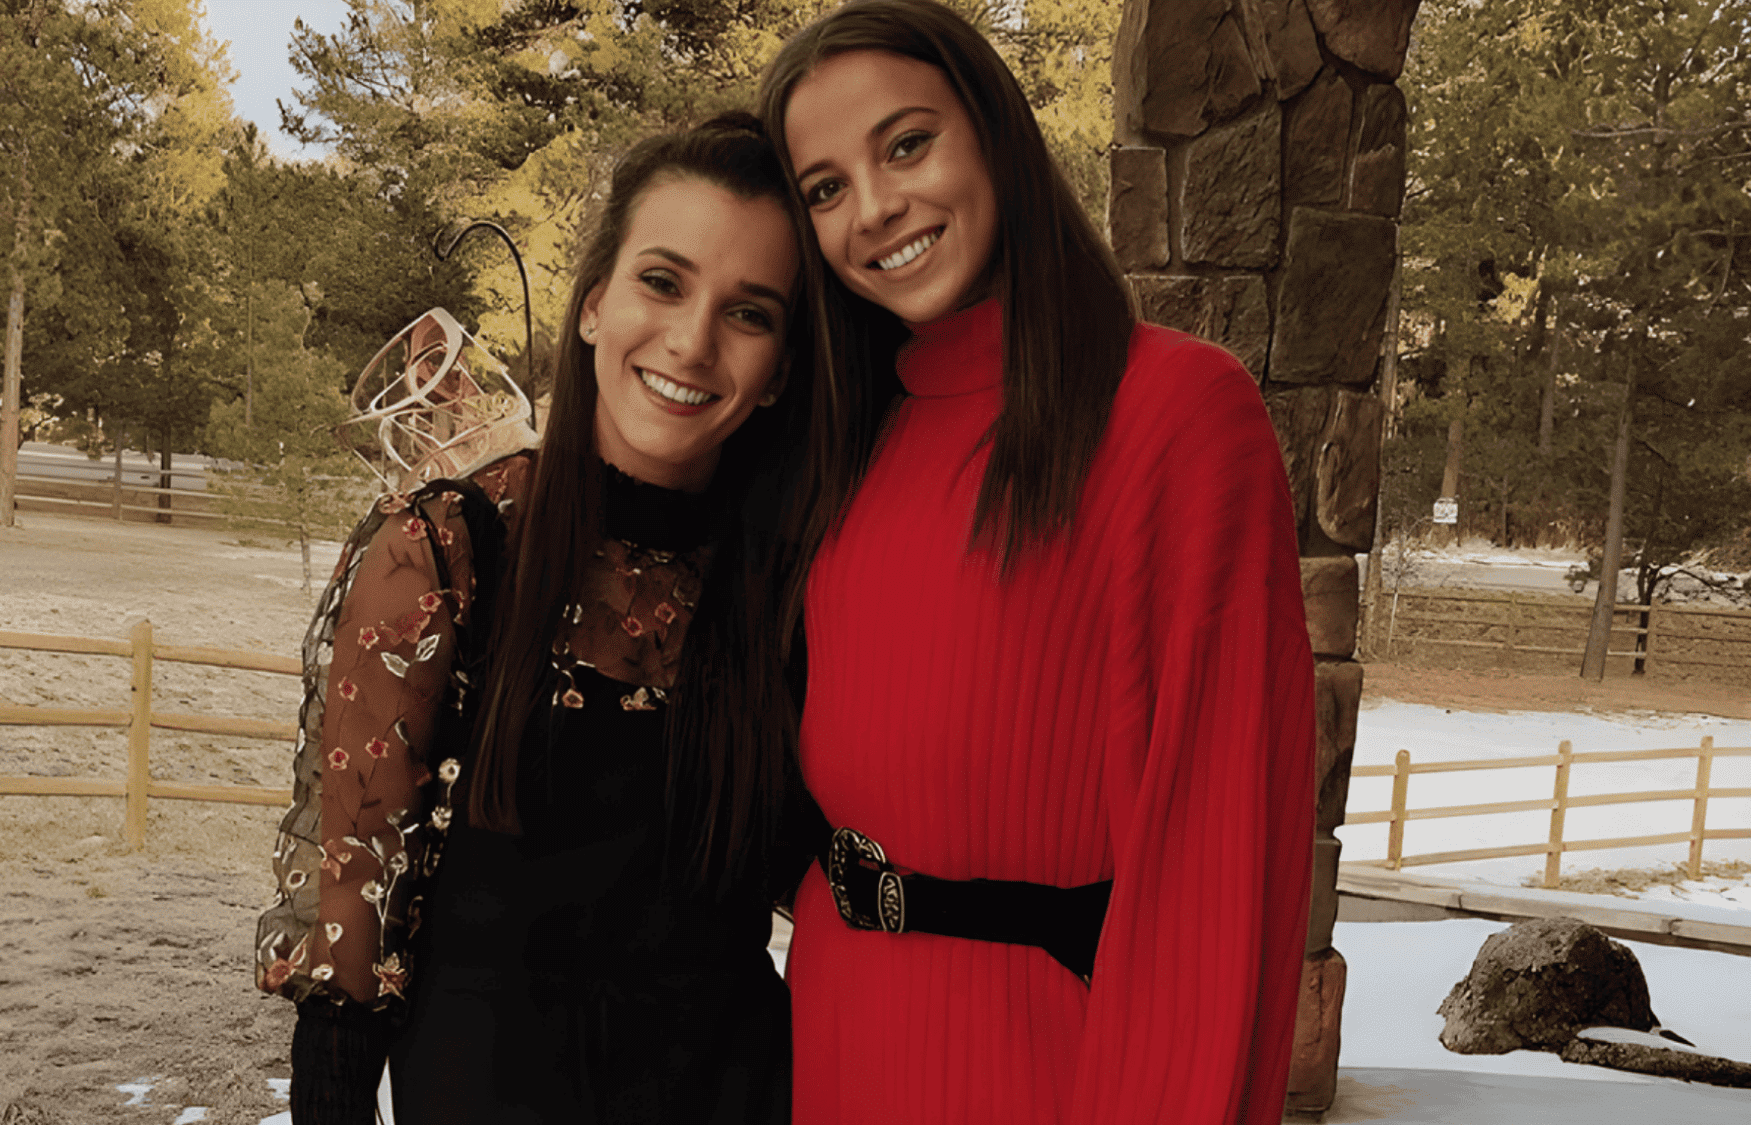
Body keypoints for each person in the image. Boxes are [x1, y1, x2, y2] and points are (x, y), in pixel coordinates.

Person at [756, 3, 1318, 1123]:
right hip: (838, 1031)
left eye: (905, 144)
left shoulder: (1174, 415)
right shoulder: (846, 439)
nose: (873, 210)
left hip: (1043, 1062)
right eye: (823, 188)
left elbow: (1214, 881)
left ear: (994, 135)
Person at [255, 112, 818, 1125]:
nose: (691, 339)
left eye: (749, 312)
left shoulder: (792, 581)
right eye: (663, 280)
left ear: (780, 368)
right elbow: (351, 908)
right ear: (594, 302)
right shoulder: (446, 549)